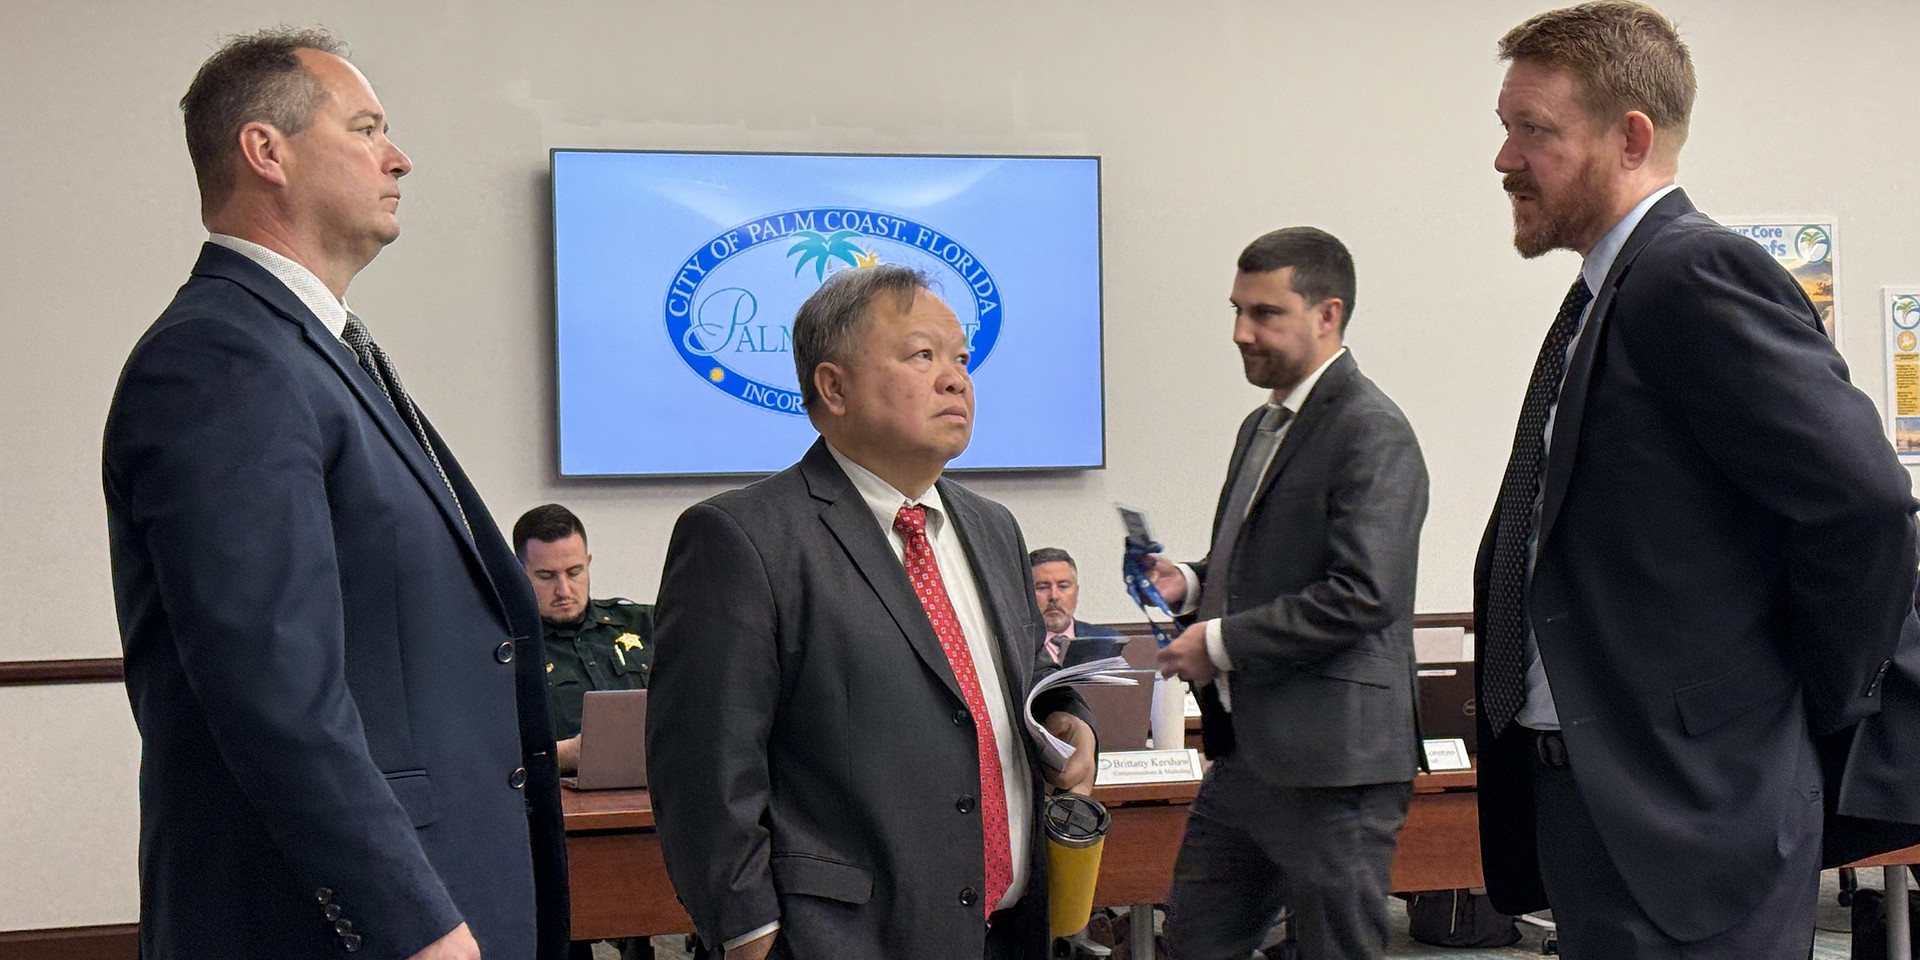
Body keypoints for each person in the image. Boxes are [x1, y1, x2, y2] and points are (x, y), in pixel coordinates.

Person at [102, 28, 566, 960]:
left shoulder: (316, 351)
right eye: (365, 128)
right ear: (265, 152)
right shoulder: (220, 359)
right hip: (349, 930)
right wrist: (414, 924)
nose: (399, 157)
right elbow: (273, 692)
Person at [1475, 4, 1920, 957]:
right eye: (1505, 128)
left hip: (1692, 817)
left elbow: (1867, 505)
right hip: (1604, 803)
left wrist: (1810, 703)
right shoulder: (1610, 292)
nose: (1505, 159)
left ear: (1630, 137)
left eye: (1533, 131)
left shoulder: (1691, 272)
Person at [646, 264, 1098, 960]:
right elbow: (704, 772)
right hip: (841, 940)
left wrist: (1071, 722)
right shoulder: (744, 538)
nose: (956, 380)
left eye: (961, 360)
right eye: (923, 355)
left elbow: (1029, 675)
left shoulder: (994, 527)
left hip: (1008, 933)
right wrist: (749, 934)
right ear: (833, 387)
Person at [1145, 226, 1429, 960]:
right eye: (1237, 310)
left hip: (1336, 769)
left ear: (1327, 315)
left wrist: (1217, 641)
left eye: (1265, 313)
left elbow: (1363, 594)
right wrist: (1197, 582)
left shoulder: (1372, 431)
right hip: (1247, 761)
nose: (1241, 332)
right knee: (1193, 948)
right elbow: (1272, 558)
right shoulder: (1262, 425)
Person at [512, 503, 656, 775]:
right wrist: (561, 755)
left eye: (574, 572)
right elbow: (483, 759)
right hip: (564, 803)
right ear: (519, 573)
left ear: (588, 563)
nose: (563, 590)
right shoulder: (507, 650)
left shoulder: (643, 624)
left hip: (656, 793)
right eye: (546, 576)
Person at [1030, 547, 1123, 667]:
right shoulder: (1016, 647)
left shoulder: (1109, 642)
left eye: (1063, 586)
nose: (1054, 596)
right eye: (1042, 587)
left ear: (1076, 591)